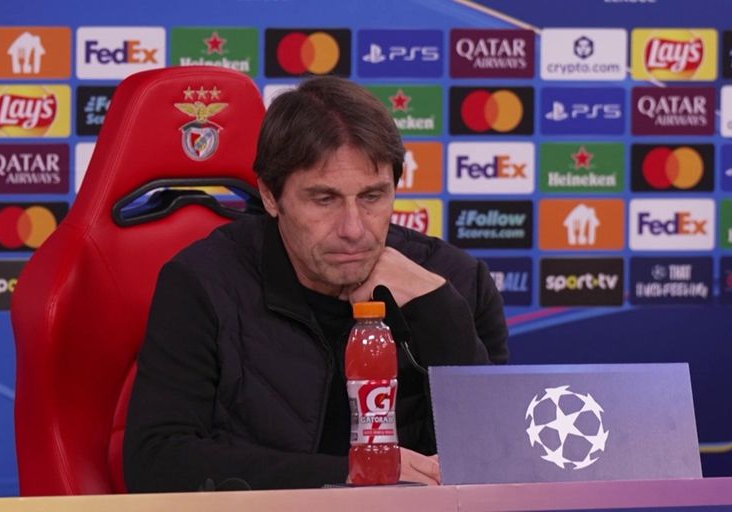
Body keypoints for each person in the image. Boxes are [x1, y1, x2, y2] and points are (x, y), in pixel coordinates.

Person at [123, 75, 508, 492]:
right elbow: (155, 460)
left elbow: (505, 458)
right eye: (324, 200)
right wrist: (347, 474)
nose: (353, 229)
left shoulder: (457, 282)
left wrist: (437, 312)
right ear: (270, 196)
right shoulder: (203, 283)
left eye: (372, 197)